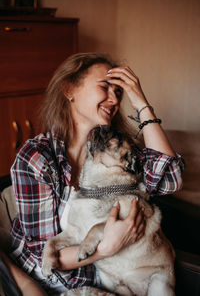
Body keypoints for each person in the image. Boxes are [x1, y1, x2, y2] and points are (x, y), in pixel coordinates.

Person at [3, 52, 184, 295]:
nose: (114, 99)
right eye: (104, 87)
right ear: (69, 90)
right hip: (48, 281)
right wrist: (106, 247)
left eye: (118, 92)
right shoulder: (38, 157)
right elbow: (42, 257)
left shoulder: (116, 151)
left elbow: (170, 179)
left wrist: (140, 102)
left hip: (105, 277)